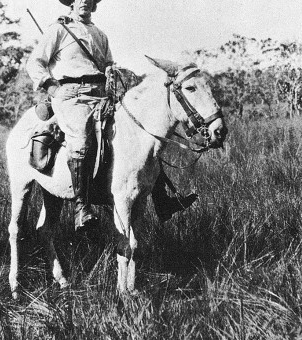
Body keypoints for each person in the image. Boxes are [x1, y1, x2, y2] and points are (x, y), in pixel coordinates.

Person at [26, 0, 197, 231]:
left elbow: (107, 66)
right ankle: (82, 208)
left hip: (101, 95)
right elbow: (35, 62)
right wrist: (53, 89)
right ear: (72, 3)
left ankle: (163, 200)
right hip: (71, 97)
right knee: (82, 140)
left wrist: (111, 81)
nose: (85, 0)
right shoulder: (58, 29)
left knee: (143, 141)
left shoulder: (100, 34)